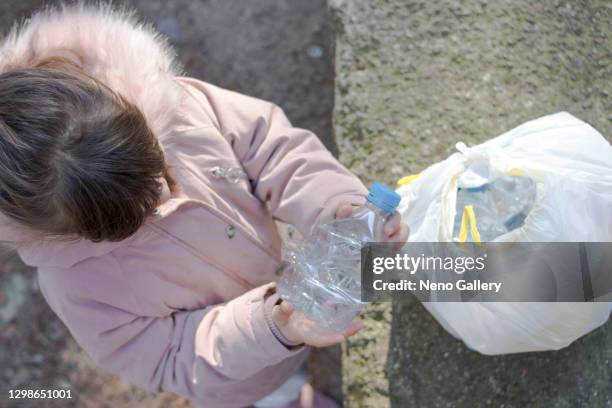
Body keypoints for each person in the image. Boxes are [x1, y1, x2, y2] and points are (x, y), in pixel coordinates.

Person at [0, 4, 408, 408]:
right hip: (244, 371)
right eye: (135, 219)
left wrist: (334, 205)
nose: (166, 197)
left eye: (160, 170)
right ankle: (291, 398)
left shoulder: (180, 108)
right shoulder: (77, 286)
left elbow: (272, 149)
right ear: (61, 233)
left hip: (292, 274)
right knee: (276, 391)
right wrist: (270, 327)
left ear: (133, 113)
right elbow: (166, 358)